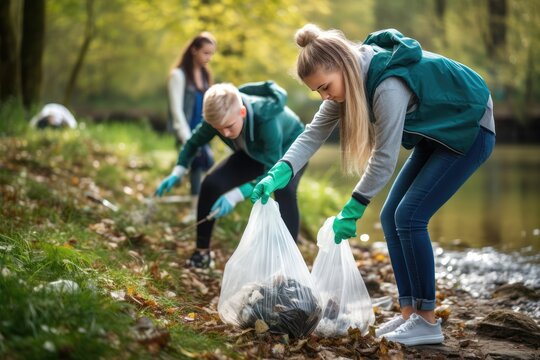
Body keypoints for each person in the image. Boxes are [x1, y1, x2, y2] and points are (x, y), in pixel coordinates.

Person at [251, 25, 495, 346]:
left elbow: (384, 158)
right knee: (391, 215)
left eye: (326, 87)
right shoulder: (350, 76)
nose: (326, 97)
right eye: (318, 92)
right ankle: (410, 315)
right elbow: (313, 134)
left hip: (469, 126)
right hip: (437, 132)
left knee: (409, 216)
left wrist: (353, 207)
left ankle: (427, 320)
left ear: (341, 65)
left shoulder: (387, 86)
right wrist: (279, 172)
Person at [156, 81, 306, 268]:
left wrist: (235, 195)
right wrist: (178, 171)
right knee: (211, 183)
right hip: (252, 150)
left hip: (288, 147)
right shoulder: (218, 119)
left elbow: (271, 171)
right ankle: (202, 254)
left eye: (228, 127)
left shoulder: (265, 119)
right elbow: (193, 143)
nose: (225, 134)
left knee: (284, 190)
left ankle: (289, 264)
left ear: (242, 112)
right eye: (219, 129)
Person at [167, 32, 217, 222]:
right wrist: (186, 137)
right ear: (194, 50)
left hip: (204, 129)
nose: (208, 58)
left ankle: (200, 206)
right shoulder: (178, 75)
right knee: (197, 164)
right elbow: (176, 109)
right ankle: (195, 210)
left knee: (206, 164)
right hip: (187, 130)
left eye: (211, 54)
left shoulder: (205, 75)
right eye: (205, 53)